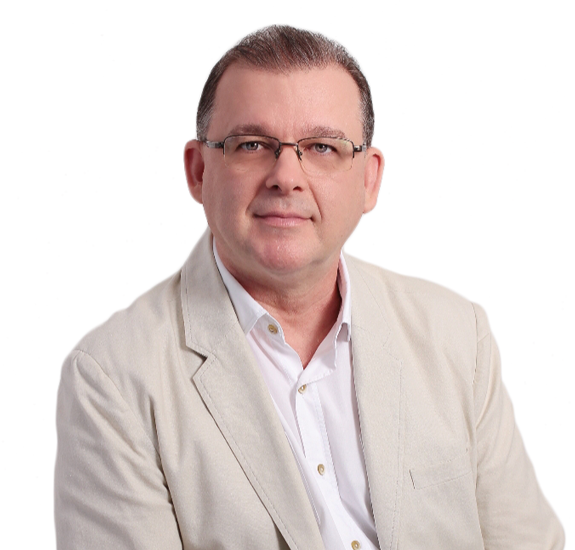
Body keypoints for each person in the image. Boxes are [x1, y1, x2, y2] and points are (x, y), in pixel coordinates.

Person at [54, 25, 564, 550]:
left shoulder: (457, 335)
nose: (286, 176)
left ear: (369, 179)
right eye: (252, 144)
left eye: (322, 147)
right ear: (198, 171)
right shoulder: (114, 379)